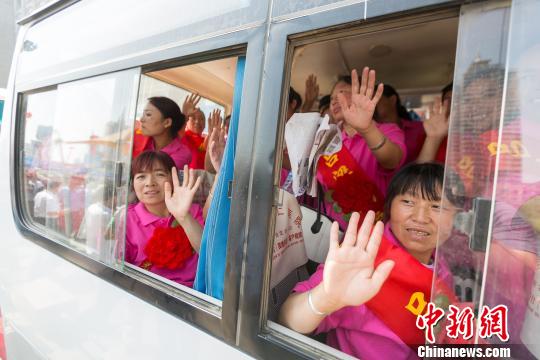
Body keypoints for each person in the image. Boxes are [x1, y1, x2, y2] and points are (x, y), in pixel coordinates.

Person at [279, 163, 463, 359]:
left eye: (437, 206)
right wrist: (327, 297)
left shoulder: (441, 266)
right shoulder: (360, 260)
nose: (420, 217)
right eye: (408, 202)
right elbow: (288, 319)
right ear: (390, 206)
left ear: (457, 218)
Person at [317, 67, 406, 229]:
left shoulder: (387, 131)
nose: (334, 101)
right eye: (331, 98)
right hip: (334, 235)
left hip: (375, 234)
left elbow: (391, 160)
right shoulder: (327, 142)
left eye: (341, 93)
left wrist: (367, 129)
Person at [125, 150, 203, 287]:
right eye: (141, 177)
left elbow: (208, 253)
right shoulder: (126, 220)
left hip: (197, 295)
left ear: (173, 180)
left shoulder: (194, 211)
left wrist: (184, 217)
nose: (150, 183)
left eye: (159, 174)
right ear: (133, 184)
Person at [135, 96, 192, 169]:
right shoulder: (142, 141)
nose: (141, 119)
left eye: (148, 115)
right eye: (143, 114)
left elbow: (156, 174)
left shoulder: (182, 153)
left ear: (167, 122)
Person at [375, 84, 425, 164]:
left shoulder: (420, 128)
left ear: (392, 100)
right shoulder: (365, 133)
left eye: (376, 100)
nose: (371, 104)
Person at [416, 83, 452, 164]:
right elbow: (421, 173)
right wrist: (433, 138)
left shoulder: (485, 136)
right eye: (449, 101)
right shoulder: (429, 135)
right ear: (443, 105)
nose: (454, 105)